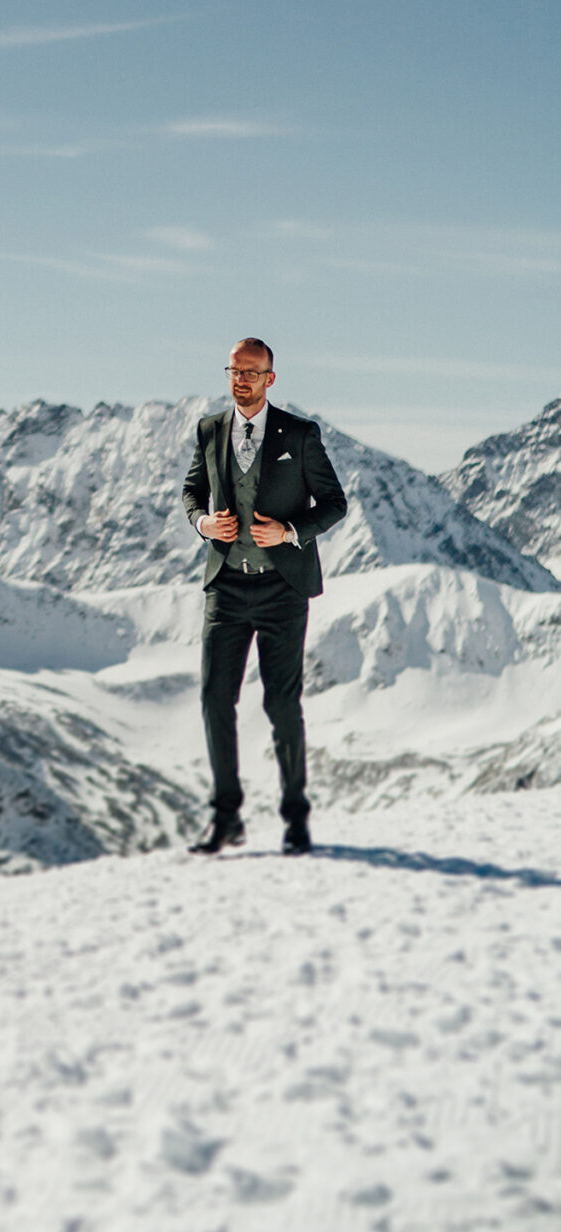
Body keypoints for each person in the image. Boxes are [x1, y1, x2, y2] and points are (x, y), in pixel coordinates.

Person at [181, 338, 347, 855]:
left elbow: (335, 503)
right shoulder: (210, 430)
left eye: (253, 372)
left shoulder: (299, 435)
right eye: (234, 371)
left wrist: (292, 531)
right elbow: (191, 493)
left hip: (281, 590)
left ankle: (296, 819)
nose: (242, 380)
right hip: (226, 587)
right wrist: (204, 522)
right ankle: (226, 817)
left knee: (281, 703)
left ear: (271, 378)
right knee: (214, 700)